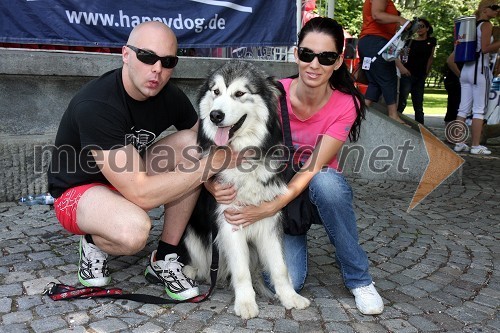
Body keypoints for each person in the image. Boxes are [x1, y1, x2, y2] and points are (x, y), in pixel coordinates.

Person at [47, 21, 242, 301]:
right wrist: (209, 166)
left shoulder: (168, 95)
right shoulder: (97, 105)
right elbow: (140, 192)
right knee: (134, 231)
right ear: (126, 54)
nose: (157, 69)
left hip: (126, 176)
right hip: (78, 191)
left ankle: (164, 256)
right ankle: (92, 239)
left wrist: (209, 181)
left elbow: (203, 141)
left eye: (168, 61)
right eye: (147, 57)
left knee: (191, 142)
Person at [206, 17, 384, 315]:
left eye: (325, 57)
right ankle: (287, 237)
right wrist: (212, 184)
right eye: (306, 54)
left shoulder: (346, 104)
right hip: (271, 184)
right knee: (289, 282)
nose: (314, 64)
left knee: (327, 183)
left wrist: (267, 208)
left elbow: (312, 168)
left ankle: (359, 279)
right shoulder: (273, 93)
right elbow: (216, 142)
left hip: (312, 187)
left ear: (339, 61)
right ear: (295, 53)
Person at [454, 0, 500, 155]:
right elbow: (485, 48)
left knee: (462, 109)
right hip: (480, 69)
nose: (497, 10)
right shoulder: (486, 25)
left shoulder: (470, 25)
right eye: (494, 7)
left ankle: (459, 142)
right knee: (479, 110)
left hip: (467, 69)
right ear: (485, 9)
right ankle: (475, 145)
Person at [357, 0, 409, 125]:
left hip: (371, 41)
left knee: (375, 82)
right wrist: (400, 19)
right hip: (375, 41)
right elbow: (377, 15)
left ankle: (360, 113)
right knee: (388, 77)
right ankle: (393, 115)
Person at [396, 18, 437, 124]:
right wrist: (403, 67)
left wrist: (426, 73)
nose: (419, 29)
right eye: (417, 27)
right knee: (402, 101)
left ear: (427, 28)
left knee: (418, 105)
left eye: (422, 26)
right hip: (408, 74)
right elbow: (402, 56)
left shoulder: (431, 41)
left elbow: (430, 58)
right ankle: (396, 122)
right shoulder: (410, 41)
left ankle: (421, 128)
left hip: (420, 75)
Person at [444, 50, 463, 126]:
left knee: (455, 108)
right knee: (454, 108)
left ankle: (452, 134)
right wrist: (461, 76)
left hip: (456, 80)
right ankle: (451, 134)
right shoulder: (463, 44)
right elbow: (450, 61)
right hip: (455, 80)